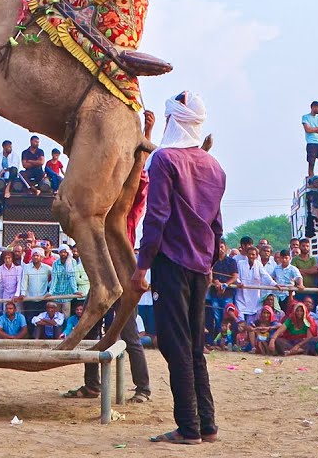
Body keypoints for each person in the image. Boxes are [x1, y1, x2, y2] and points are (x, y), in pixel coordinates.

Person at [136, 91, 225, 445]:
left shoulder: (164, 159)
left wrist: (141, 266)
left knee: (176, 346)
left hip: (170, 262)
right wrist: (210, 263)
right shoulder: (214, 165)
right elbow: (217, 224)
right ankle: (208, 424)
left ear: (174, 121)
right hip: (201, 265)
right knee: (195, 347)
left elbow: (155, 217)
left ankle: (188, 427)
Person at [303, 100, 318, 177]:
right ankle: (311, 179)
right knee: (311, 163)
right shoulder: (305, 117)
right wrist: (317, 129)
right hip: (311, 143)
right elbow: (307, 130)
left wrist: (314, 129)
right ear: (313, 107)